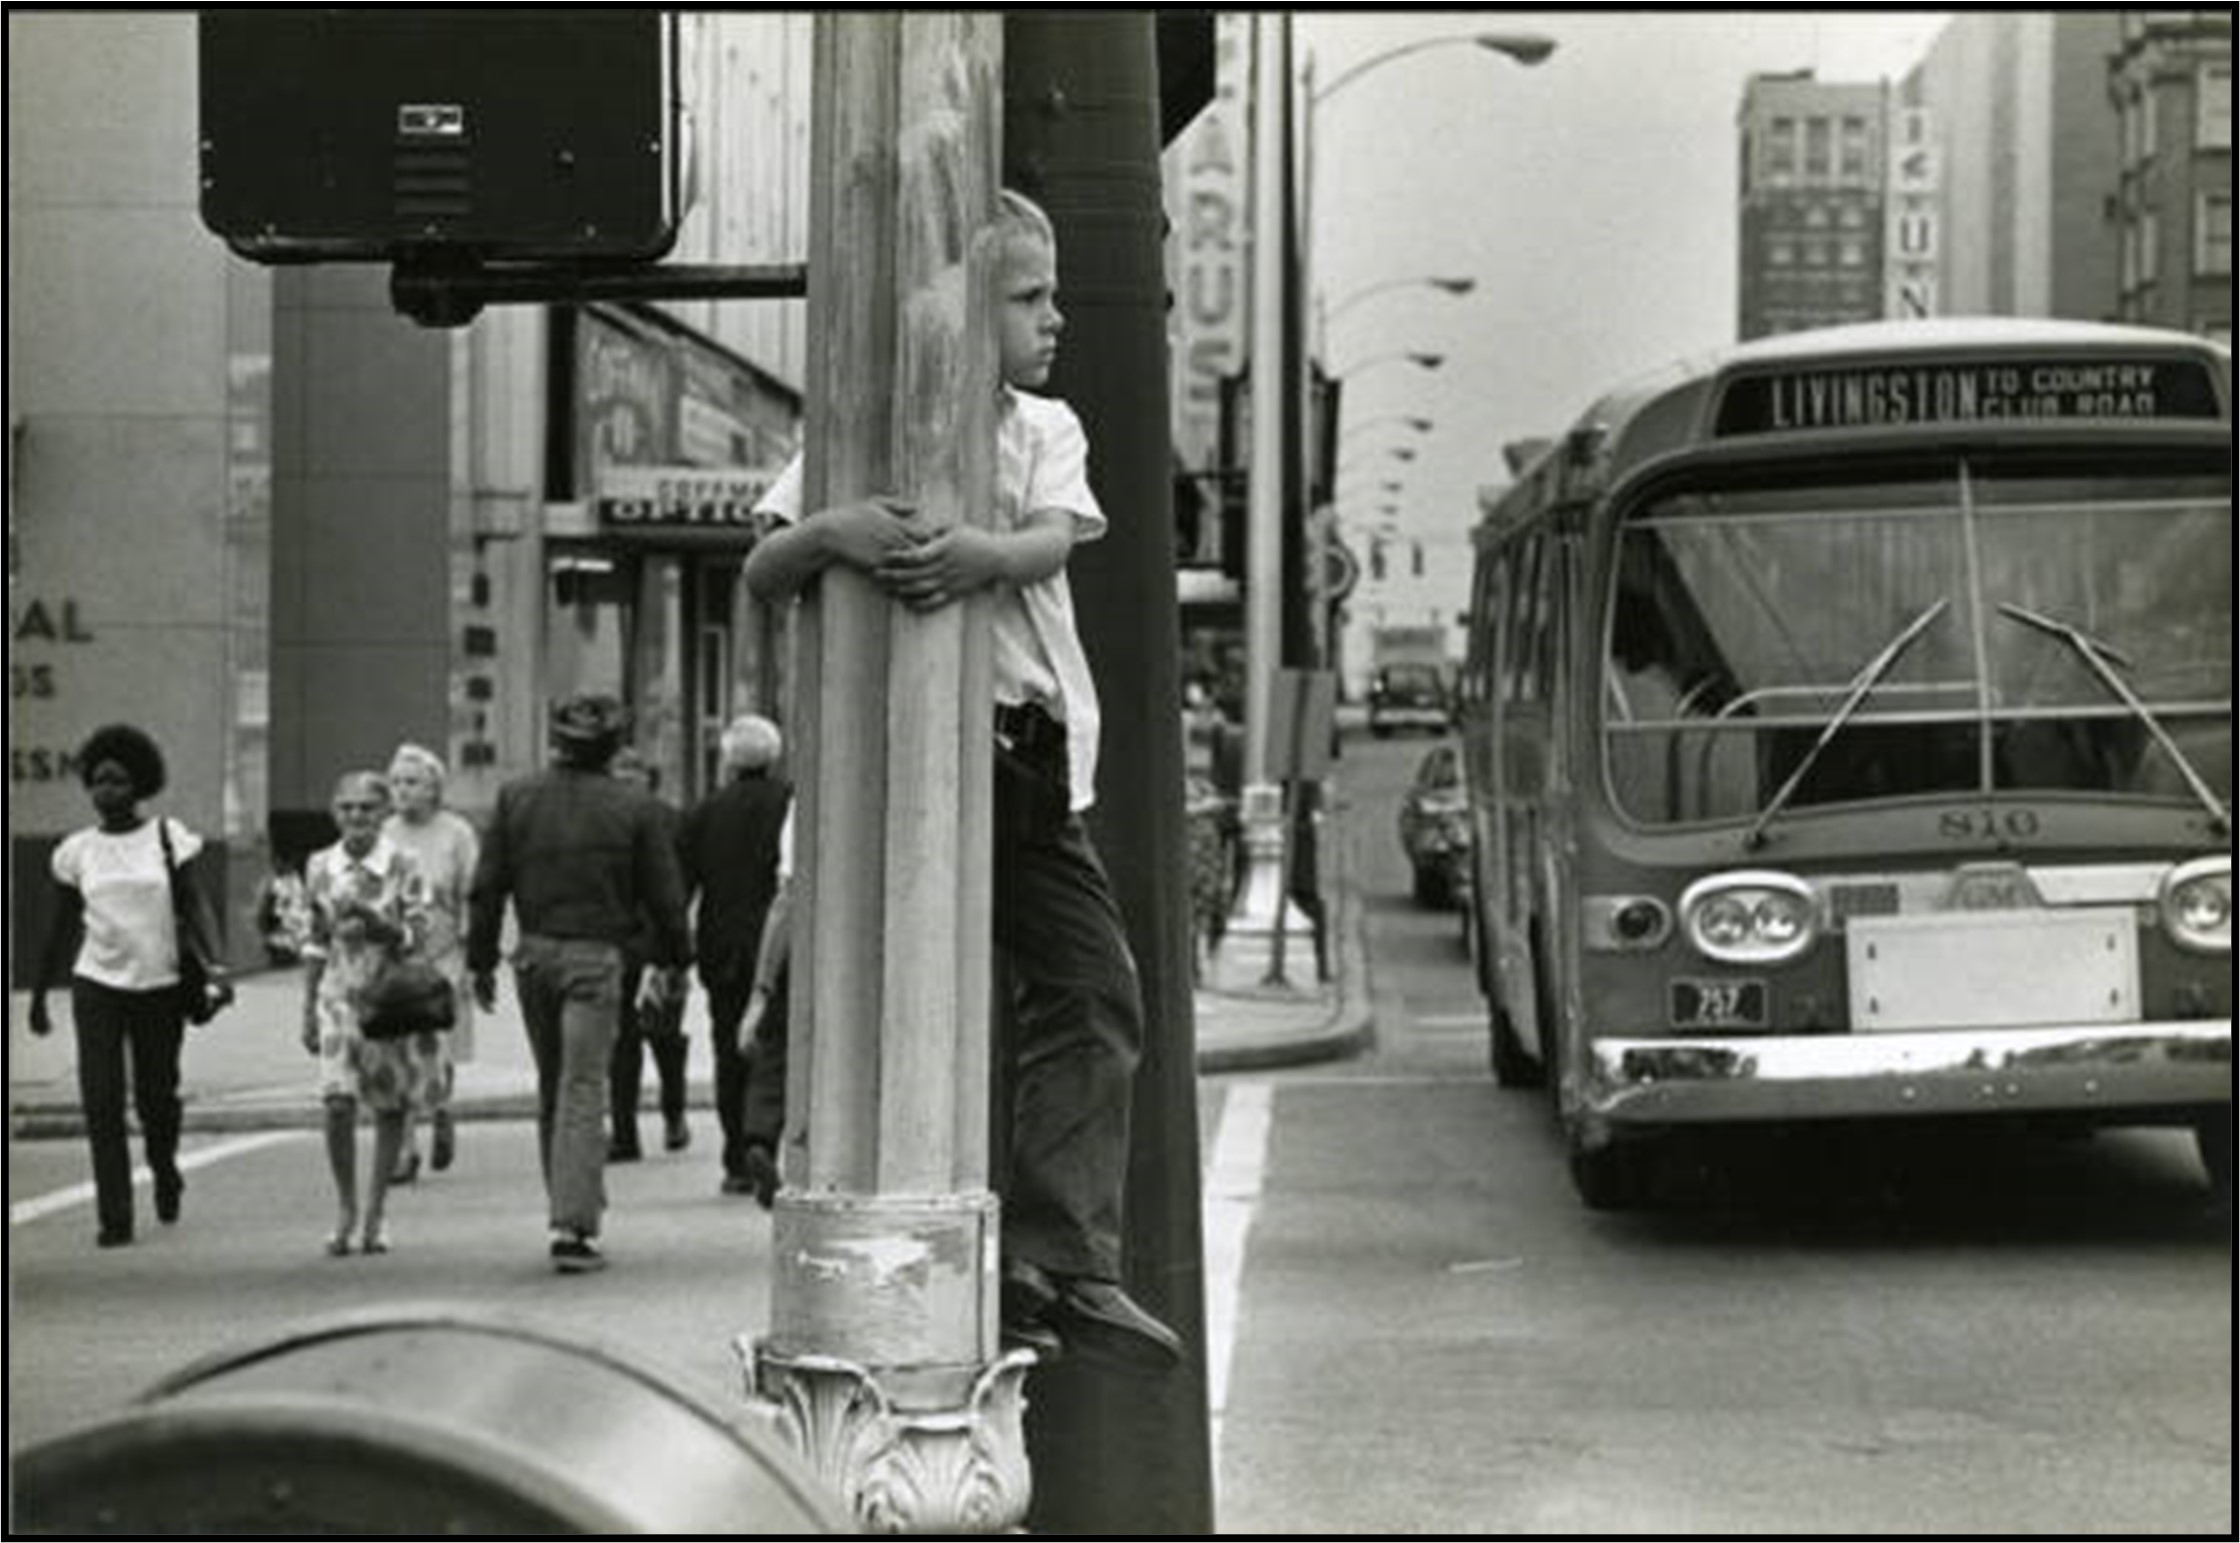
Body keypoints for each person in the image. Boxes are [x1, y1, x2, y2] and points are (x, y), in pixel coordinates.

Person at [742, 188, 1179, 1372]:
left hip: (1028, 766)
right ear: (959, 313)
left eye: (1049, 296)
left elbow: (1046, 540)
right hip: (914, 759)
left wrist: (979, 556)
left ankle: (1058, 1256)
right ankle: (903, 1228)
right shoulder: (849, 433)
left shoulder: (1042, 428)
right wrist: (836, 531)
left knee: (1094, 991)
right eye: (1027, 298)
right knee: (903, 1013)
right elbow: (767, 562)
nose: (1053, 320)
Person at [467, 693, 692, 1274]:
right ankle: (574, 1222)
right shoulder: (633, 806)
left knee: (553, 1084)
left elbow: (487, 885)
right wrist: (675, 960)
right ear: (613, 747)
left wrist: (481, 959)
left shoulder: (517, 798)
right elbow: (665, 897)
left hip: (535, 953)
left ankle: (565, 1202)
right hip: (596, 955)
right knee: (583, 1087)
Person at [27, 724, 230, 1248]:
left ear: (139, 785)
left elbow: (194, 902)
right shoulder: (76, 851)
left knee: (156, 1099)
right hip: (96, 985)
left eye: (117, 781)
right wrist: (40, 997)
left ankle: (164, 1168)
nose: (106, 791)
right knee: (101, 1099)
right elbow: (60, 925)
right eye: (97, 782)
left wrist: (219, 965)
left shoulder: (167, 837)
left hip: (160, 985)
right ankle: (114, 1216)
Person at [300, 770, 442, 1257]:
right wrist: (306, 1007)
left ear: (383, 814)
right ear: (335, 812)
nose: (356, 817)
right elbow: (314, 940)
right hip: (338, 996)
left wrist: (386, 928)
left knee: (388, 1105)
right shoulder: (320, 866)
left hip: (389, 999)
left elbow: (420, 936)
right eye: (347, 807)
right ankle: (345, 1206)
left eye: (366, 808)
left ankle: (376, 1213)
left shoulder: (404, 863)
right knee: (337, 1100)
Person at [675, 714, 793, 1198]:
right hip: (779, 944)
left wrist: (671, 952)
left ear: (727, 759)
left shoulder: (704, 813)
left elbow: (683, 885)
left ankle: (736, 1157)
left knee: (729, 1047)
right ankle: (766, 1134)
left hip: (722, 947)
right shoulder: (790, 804)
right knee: (778, 1047)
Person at [381, 743, 479, 1181]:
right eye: (397, 782)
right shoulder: (384, 833)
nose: (402, 790)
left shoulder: (456, 833)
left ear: (434, 788)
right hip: (397, 956)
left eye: (413, 782)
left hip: (445, 954)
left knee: (439, 1048)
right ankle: (405, 1148)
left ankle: (440, 1108)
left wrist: (474, 955)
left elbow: (472, 895)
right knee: (399, 1051)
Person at [606, 746, 691, 1162]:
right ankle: (638, 1126)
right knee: (638, 1039)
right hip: (640, 944)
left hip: (644, 943)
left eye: (631, 776)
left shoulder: (668, 820)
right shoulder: (665, 819)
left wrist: (676, 953)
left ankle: (660, 1119)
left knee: (653, 1037)